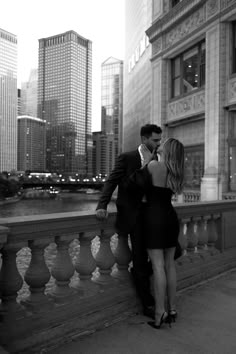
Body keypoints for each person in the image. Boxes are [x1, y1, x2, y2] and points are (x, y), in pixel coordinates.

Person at [96, 124, 162, 318]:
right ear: (144, 139)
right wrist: (102, 205)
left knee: (175, 250)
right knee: (140, 258)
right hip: (135, 215)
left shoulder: (159, 158)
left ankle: (139, 274)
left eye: (159, 140)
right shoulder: (127, 157)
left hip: (154, 213)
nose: (158, 143)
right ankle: (147, 303)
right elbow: (112, 181)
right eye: (155, 140)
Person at [128, 138, 184, 329]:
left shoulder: (154, 165)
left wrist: (146, 160)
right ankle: (173, 309)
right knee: (170, 265)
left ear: (167, 149)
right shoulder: (176, 171)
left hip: (154, 219)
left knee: (158, 266)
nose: (160, 143)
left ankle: (160, 313)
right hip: (170, 217)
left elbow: (134, 183)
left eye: (164, 142)